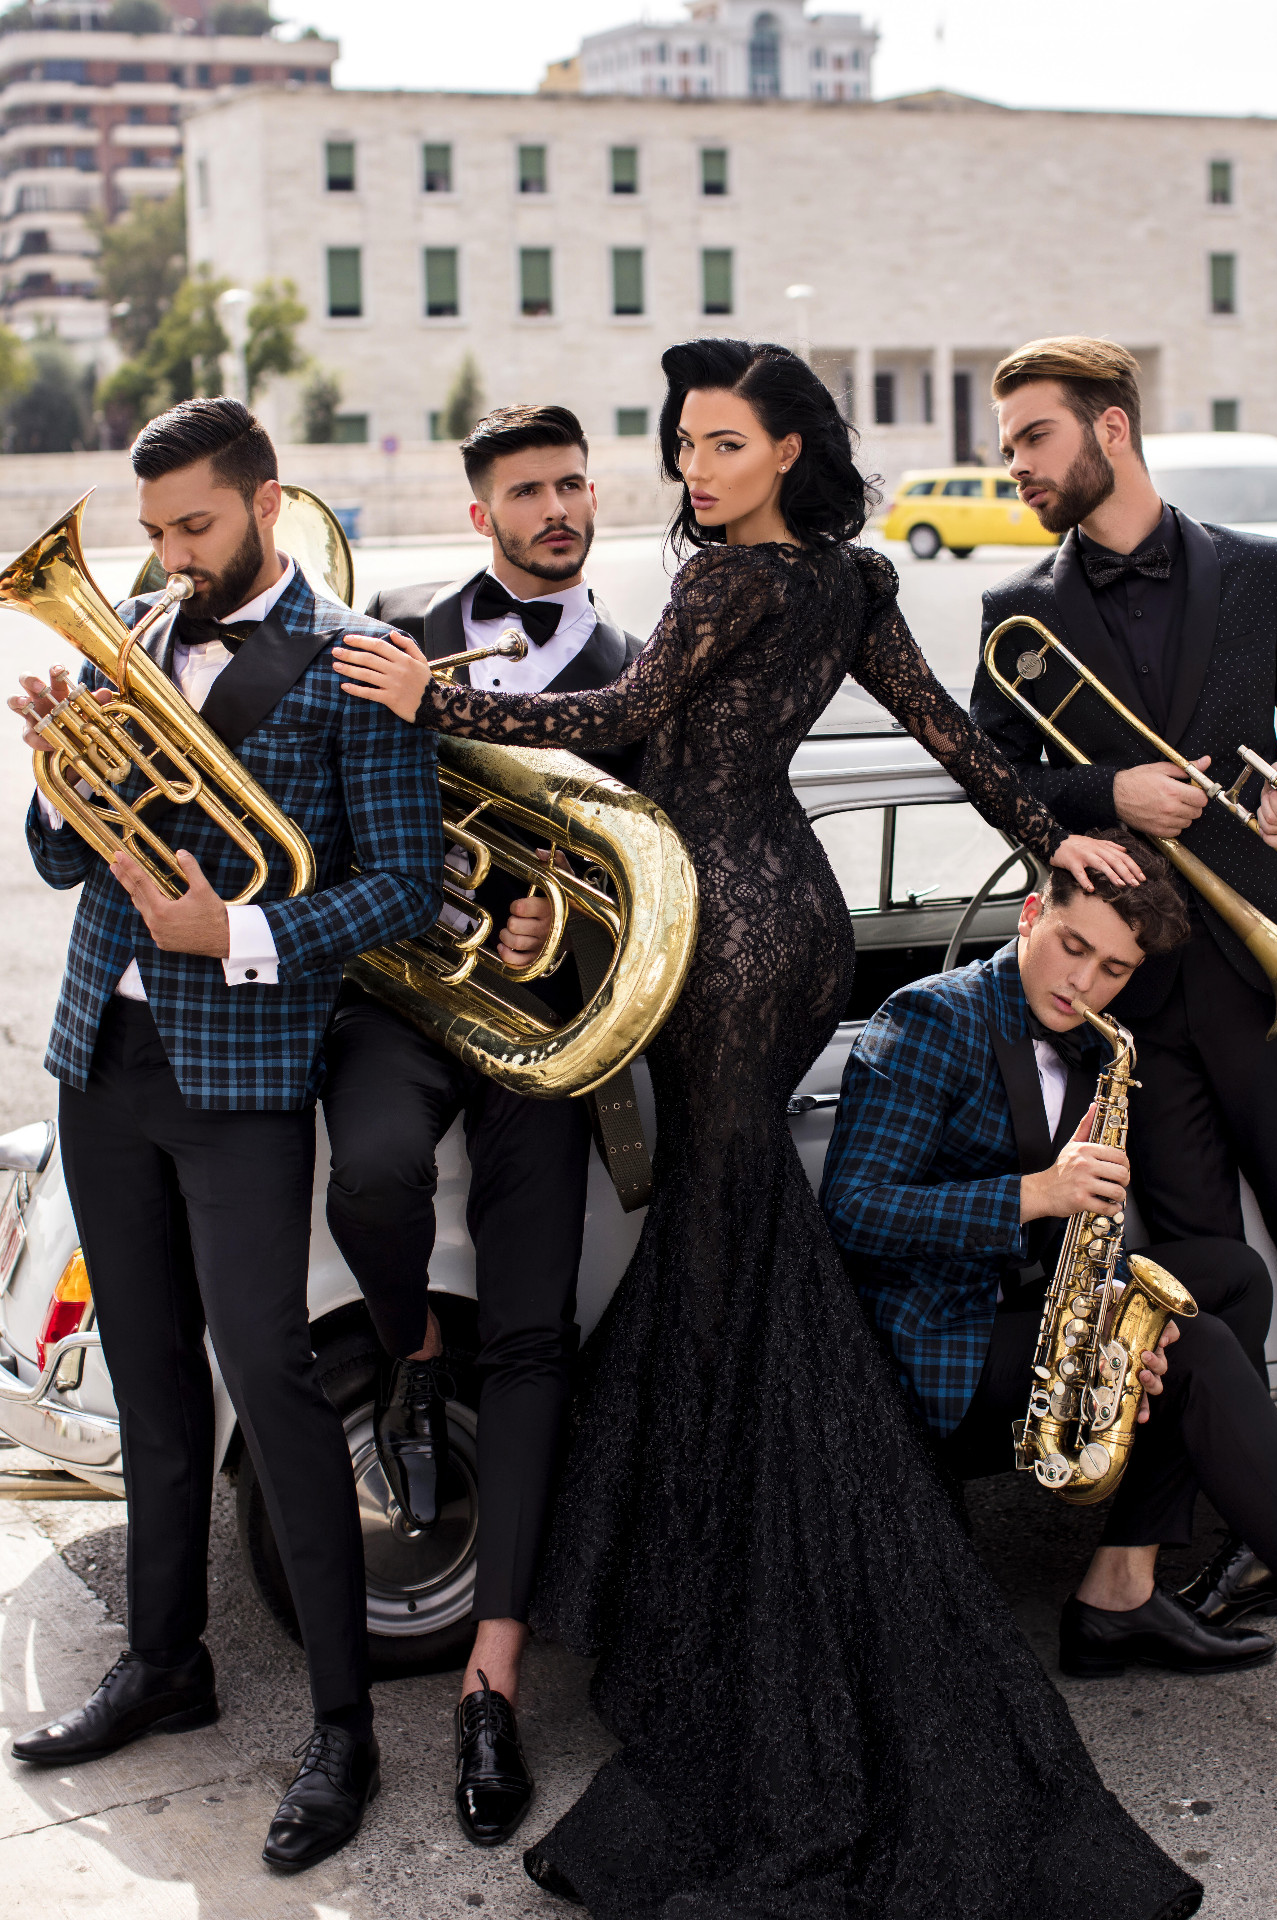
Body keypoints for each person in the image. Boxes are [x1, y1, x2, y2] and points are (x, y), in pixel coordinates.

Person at [334, 338, 1205, 1920]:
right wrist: (1056, 836)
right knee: (727, 1234)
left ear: (790, 449)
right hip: (790, 915)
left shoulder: (727, 580)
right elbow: (956, 741)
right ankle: (705, 1550)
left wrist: (430, 692)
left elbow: (620, 713)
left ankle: (743, 1576)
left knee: (728, 1240)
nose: (696, 470)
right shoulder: (853, 584)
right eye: (683, 445)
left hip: (717, 930)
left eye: (723, 444)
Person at [820, 834, 1277, 1757]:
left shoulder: (1093, 1043)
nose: (1085, 983)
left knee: (1228, 1280)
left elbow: (1082, 1234)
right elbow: (854, 1213)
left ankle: (1120, 1590)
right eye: (1073, 947)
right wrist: (1035, 1194)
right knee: (1194, 1353)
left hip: (1014, 1314)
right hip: (929, 1352)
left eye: (1115, 970)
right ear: (1032, 915)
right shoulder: (931, 1018)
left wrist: (1115, 1303)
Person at [5, 399, 442, 1871]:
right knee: (148, 1385)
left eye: (194, 525)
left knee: (272, 1379)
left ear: (265, 501)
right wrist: (68, 773)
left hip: (242, 1071)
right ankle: (167, 1662)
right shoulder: (131, 630)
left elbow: (402, 886)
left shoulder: (354, 658)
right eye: (154, 531)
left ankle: (343, 1727)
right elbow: (59, 855)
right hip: (102, 1056)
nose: (170, 556)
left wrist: (241, 933)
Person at [968, 336, 1277, 1627]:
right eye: (1009, 445)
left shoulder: (1252, 570)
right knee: (1203, 1263)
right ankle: (1242, 1510)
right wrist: (1108, 793)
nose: (1016, 465)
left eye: (1033, 437)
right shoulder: (1017, 613)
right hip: (1137, 1000)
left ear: (1111, 430)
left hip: (1270, 963)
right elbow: (992, 779)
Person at [321, 403, 647, 1849]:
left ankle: (492, 1679)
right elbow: (324, 818)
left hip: (536, 1030)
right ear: (481, 515)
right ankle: (409, 1347)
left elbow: (646, 875)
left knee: (533, 1336)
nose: (558, 508)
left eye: (573, 484)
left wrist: (550, 928)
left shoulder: (634, 667)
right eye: (528, 491)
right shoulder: (394, 635)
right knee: (376, 1180)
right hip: (400, 1004)